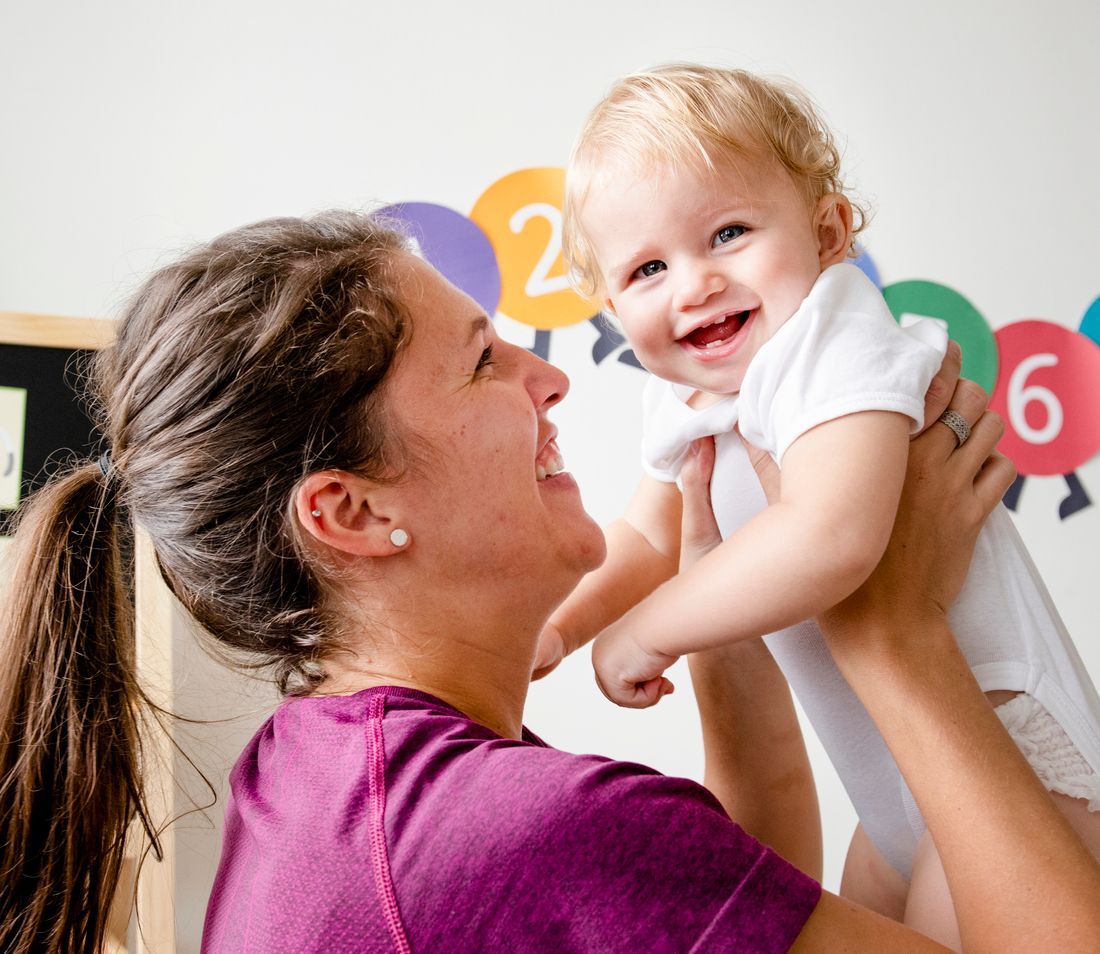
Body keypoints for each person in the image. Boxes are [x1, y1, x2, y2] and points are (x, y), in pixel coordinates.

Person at [0, 212, 1098, 954]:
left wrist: (715, 600)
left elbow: (733, 897)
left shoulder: (321, 775)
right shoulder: (518, 832)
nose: (552, 377)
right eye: (483, 361)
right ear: (353, 512)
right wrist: (894, 639)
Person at [552, 64, 1100, 945]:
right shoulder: (689, 394)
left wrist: (647, 632)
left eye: (728, 232)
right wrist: (559, 630)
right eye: (649, 268)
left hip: (1011, 758)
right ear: (612, 307)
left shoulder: (832, 340)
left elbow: (832, 538)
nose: (693, 284)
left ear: (827, 229)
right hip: (893, 787)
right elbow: (648, 531)